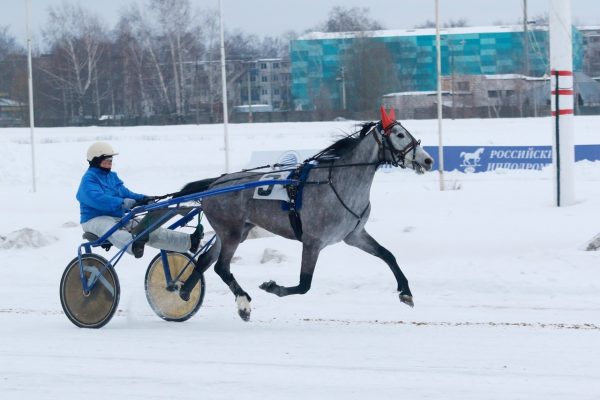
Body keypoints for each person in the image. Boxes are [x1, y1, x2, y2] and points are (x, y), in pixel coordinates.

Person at [76, 142, 201, 258]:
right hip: (94, 219)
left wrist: (144, 198)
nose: (110, 163)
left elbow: (126, 193)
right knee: (111, 229)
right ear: (96, 160)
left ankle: (190, 242)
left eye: (111, 160)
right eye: (106, 160)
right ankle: (134, 245)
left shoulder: (112, 177)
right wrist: (121, 203)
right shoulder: (88, 179)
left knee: (148, 230)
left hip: (118, 217)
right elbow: (97, 199)